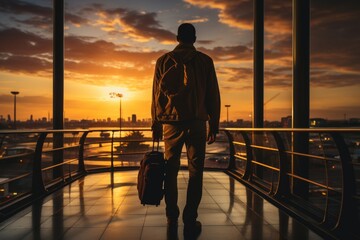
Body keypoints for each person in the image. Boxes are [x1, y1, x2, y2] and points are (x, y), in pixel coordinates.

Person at [151, 23, 220, 238]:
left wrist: (155, 122)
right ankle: (190, 218)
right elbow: (213, 94)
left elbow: (156, 94)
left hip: (171, 123)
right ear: (195, 38)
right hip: (197, 123)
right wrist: (214, 123)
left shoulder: (163, 61)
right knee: (196, 172)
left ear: (177, 37)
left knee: (170, 171)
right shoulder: (205, 61)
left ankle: (171, 215)